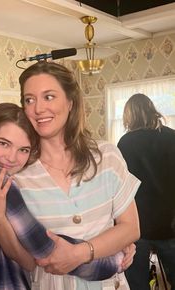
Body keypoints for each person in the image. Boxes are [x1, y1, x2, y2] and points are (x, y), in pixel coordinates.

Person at [0, 103, 132, 290]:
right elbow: (47, 250)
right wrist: (115, 257)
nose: (12, 157)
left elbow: (28, 258)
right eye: (3, 143)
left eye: (23, 149)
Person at [13, 60, 140, 290]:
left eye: (49, 96)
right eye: (29, 100)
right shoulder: (19, 174)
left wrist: (80, 253)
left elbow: (131, 228)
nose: (38, 108)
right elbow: (20, 253)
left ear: (70, 102)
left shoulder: (106, 156)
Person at [117, 93, 175, 290]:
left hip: (136, 226)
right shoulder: (172, 137)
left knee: (138, 284)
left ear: (129, 116)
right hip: (170, 224)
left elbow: (120, 189)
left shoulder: (125, 144)